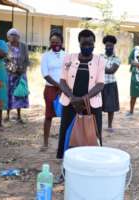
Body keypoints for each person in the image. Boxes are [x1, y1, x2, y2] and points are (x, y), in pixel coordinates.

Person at [57, 29, 105, 159]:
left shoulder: (100, 60)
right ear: (79, 43)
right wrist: (72, 98)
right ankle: (67, 159)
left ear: (94, 43)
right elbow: (62, 81)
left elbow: (100, 83)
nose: (87, 47)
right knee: (68, 132)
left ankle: (91, 159)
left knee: (92, 133)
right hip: (70, 102)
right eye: (84, 44)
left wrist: (85, 99)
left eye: (90, 44)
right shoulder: (69, 58)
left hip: (92, 104)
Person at [41, 31, 65, 148]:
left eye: (57, 42)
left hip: (65, 90)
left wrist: (63, 87)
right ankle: (45, 142)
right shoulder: (45, 56)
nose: (55, 44)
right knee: (49, 116)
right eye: (53, 42)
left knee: (65, 116)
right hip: (50, 89)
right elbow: (45, 75)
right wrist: (58, 85)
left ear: (62, 42)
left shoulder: (67, 55)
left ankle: (64, 141)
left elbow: (69, 72)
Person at [6, 28, 30, 123]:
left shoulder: (23, 46)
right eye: (11, 35)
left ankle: (19, 116)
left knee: (19, 94)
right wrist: (13, 69)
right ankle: (7, 115)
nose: (13, 37)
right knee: (9, 94)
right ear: (8, 37)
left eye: (15, 35)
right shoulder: (6, 46)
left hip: (21, 75)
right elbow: (4, 60)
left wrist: (22, 70)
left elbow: (27, 60)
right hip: (10, 75)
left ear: (18, 37)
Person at [101, 35, 121, 132]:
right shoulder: (100, 56)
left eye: (111, 46)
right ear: (104, 46)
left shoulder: (117, 59)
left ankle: (109, 126)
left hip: (111, 84)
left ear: (113, 47)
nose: (109, 48)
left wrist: (100, 67)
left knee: (111, 107)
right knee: (97, 106)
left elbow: (111, 71)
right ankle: (98, 124)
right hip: (99, 84)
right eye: (107, 46)